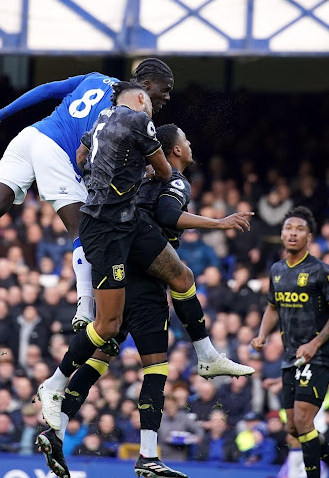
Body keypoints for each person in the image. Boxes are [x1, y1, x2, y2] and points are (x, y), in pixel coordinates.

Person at [36, 124, 254, 478]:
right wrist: (221, 223)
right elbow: (168, 216)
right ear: (177, 152)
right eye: (186, 138)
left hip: (118, 275)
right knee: (156, 367)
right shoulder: (176, 181)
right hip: (149, 284)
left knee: (99, 359)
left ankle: (56, 429)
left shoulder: (140, 178)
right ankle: (149, 454)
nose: (190, 141)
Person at [0, 59, 174, 328]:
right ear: (145, 87)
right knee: (80, 228)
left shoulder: (96, 77)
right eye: (165, 89)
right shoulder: (128, 115)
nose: (168, 96)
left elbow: (48, 89)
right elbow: (92, 156)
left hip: (29, 136)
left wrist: (0, 114)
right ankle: (85, 308)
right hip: (56, 150)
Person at [251, 206, 329, 478]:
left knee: (303, 421)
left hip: (318, 356)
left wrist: (315, 343)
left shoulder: (322, 271)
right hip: (290, 356)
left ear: (309, 237)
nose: (293, 233)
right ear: (281, 233)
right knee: (293, 428)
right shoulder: (276, 270)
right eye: (289, 228)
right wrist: (263, 334)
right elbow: (273, 307)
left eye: (299, 229)